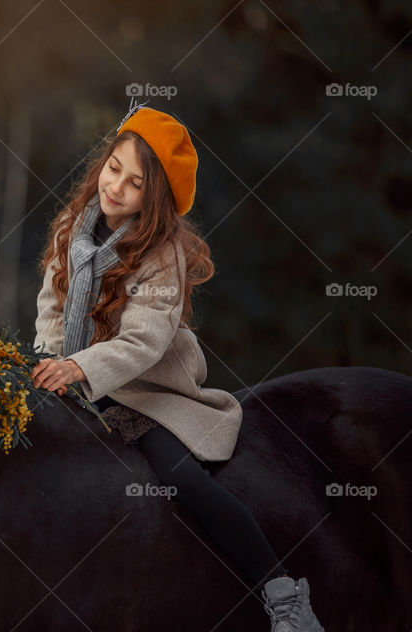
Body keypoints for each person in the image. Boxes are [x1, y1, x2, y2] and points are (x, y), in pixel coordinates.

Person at [30, 98, 325, 632]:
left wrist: (79, 368)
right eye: (113, 168)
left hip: (142, 387)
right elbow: (52, 305)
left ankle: (283, 595)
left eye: (135, 184)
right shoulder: (72, 228)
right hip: (75, 375)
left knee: (184, 481)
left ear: (155, 198)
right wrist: (52, 359)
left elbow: (143, 342)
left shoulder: (160, 253)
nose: (116, 187)